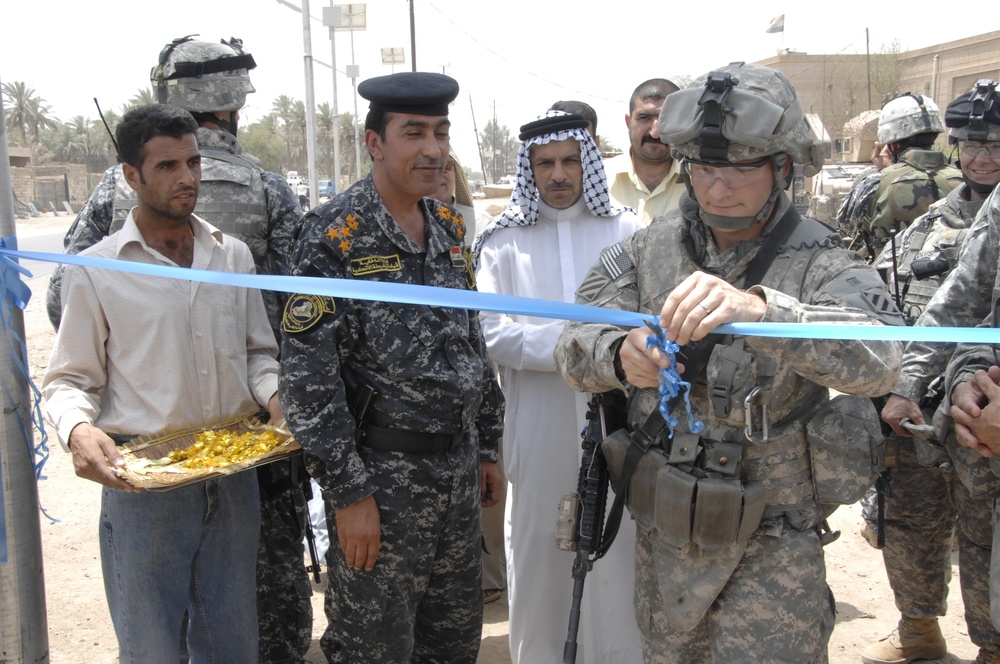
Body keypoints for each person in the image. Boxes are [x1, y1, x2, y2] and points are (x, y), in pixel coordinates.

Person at [553, 63, 903, 662]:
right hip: (668, 533)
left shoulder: (820, 257)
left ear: (783, 166)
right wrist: (619, 356)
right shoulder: (650, 247)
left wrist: (767, 312)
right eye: (706, 169)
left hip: (774, 543)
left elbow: (882, 358)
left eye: (741, 168)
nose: (718, 188)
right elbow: (573, 341)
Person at [44, 35, 311, 664]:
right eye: (168, 167)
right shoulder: (96, 270)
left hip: (234, 479)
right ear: (131, 177)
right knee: (153, 647)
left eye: (191, 162)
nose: (188, 178)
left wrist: (277, 399)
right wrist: (78, 431)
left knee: (233, 645)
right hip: (145, 489)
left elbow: (258, 354)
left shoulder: (233, 256)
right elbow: (67, 381)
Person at [279, 71, 505, 664]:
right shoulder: (334, 235)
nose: (433, 149)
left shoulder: (450, 229)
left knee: (452, 643)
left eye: (440, 132)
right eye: (413, 134)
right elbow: (308, 380)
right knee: (372, 649)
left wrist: (485, 444)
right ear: (375, 143)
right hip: (381, 482)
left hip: (455, 476)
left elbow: (470, 342)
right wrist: (349, 494)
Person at [473, 110, 642, 664]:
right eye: (545, 163)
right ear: (530, 168)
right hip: (539, 426)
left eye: (571, 160)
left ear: (588, 161)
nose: (559, 174)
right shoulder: (503, 242)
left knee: (619, 553)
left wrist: (601, 350)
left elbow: (649, 319)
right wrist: (591, 349)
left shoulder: (627, 231)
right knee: (541, 548)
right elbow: (495, 335)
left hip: (618, 419)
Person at [873, 80, 1000, 664]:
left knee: (983, 538)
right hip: (928, 411)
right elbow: (944, 309)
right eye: (973, 144)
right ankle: (918, 631)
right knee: (913, 525)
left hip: (983, 413)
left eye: (996, 145)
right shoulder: (922, 225)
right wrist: (899, 388)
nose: (983, 158)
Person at [850, 92, 962, 257]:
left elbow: (850, 230)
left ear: (891, 143)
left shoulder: (873, 184)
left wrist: (885, 173)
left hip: (888, 279)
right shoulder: (964, 182)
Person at [603, 78, 685, 225]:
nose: (655, 132)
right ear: (628, 123)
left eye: (665, 118)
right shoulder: (600, 179)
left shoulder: (699, 182)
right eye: (644, 118)